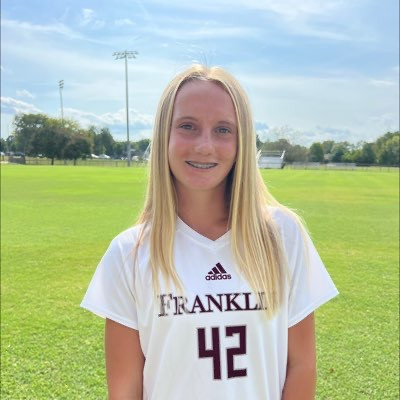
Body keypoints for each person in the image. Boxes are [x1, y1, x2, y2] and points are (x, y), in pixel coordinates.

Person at [81, 64, 338, 400]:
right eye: (188, 126)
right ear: (164, 135)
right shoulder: (128, 253)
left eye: (223, 130)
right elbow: (126, 389)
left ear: (242, 141)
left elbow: (300, 365)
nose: (205, 146)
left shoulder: (282, 236)